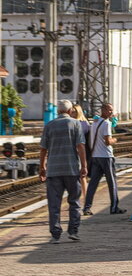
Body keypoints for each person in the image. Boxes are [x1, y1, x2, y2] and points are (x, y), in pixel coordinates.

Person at [38, 100, 88, 243]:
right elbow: (80, 146)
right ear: (70, 110)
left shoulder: (49, 125)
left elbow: (43, 149)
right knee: (74, 202)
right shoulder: (75, 123)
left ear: (58, 111)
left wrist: (42, 167)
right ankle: (73, 231)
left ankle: (55, 234)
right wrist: (84, 165)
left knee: (54, 204)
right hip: (72, 169)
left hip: (53, 170)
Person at [83, 102, 125, 215]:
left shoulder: (95, 122)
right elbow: (107, 141)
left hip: (96, 156)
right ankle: (114, 207)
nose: (111, 112)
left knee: (93, 184)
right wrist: (115, 140)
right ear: (103, 110)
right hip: (106, 156)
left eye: (112, 110)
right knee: (112, 183)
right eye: (109, 110)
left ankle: (86, 208)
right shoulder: (106, 124)